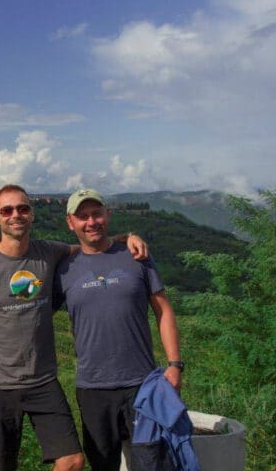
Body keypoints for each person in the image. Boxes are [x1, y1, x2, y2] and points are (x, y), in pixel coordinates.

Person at [0, 184, 148, 471]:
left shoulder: (49, 253)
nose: (15, 215)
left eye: (22, 208)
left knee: (72, 460)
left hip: (43, 381)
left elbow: (89, 246)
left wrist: (127, 237)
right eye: (7, 210)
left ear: (31, 214)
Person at [53, 188, 183, 471]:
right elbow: (34, 317)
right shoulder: (63, 269)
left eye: (96, 214)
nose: (91, 222)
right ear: (70, 222)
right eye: (83, 216)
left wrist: (175, 365)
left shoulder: (136, 256)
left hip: (142, 384)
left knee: (153, 464)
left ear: (107, 215)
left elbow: (164, 310)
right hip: (92, 389)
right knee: (102, 465)